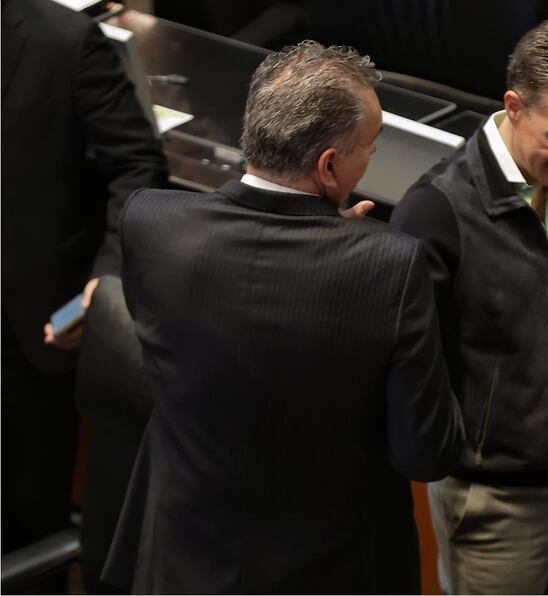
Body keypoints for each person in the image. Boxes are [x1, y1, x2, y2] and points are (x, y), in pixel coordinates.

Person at [101, 41, 464, 593]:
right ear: (328, 165)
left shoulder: (150, 223)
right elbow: (426, 450)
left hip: (185, 563)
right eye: (371, 146)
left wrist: (322, 228)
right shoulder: (390, 266)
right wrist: (340, 240)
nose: (371, 158)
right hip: (327, 571)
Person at [390, 16, 548, 594]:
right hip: (497, 508)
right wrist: (454, 463)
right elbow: (406, 368)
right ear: (515, 107)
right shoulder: (436, 212)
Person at [1, 0, 168, 591]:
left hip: (26, 339)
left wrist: (105, 282)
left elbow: (137, 170)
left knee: (25, 534)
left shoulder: (64, 41)